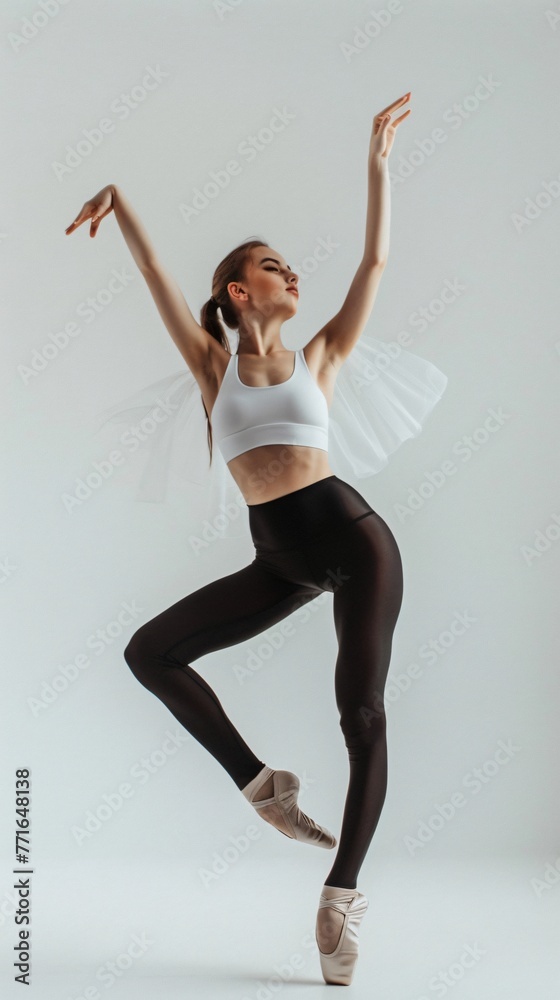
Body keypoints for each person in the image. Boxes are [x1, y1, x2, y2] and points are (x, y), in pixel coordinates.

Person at [65, 92, 438, 986]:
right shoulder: (211, 364)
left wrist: (378, 162)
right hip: (279, 558)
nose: (291, 276)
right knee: (150, 652)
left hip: (353, 542)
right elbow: (155, 270)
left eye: (290, 267)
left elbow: (376, 259)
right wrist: (120, 199)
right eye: (274, 268)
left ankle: (340, 895)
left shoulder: (323, 356)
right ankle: (262, 789)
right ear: (240, 292)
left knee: (363, 715)